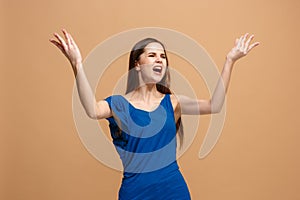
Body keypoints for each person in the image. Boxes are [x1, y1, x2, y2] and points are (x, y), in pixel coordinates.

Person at [49, 29, 259, 200]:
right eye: (152, 55)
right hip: (135, 193)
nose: (160, 60)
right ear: (137, 65)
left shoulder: (172, 102)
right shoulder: (119, 105)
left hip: (173, 190)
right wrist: (77, 63)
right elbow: (92, 110)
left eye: (163, 56)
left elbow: (215, 105)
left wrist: (230, 60)